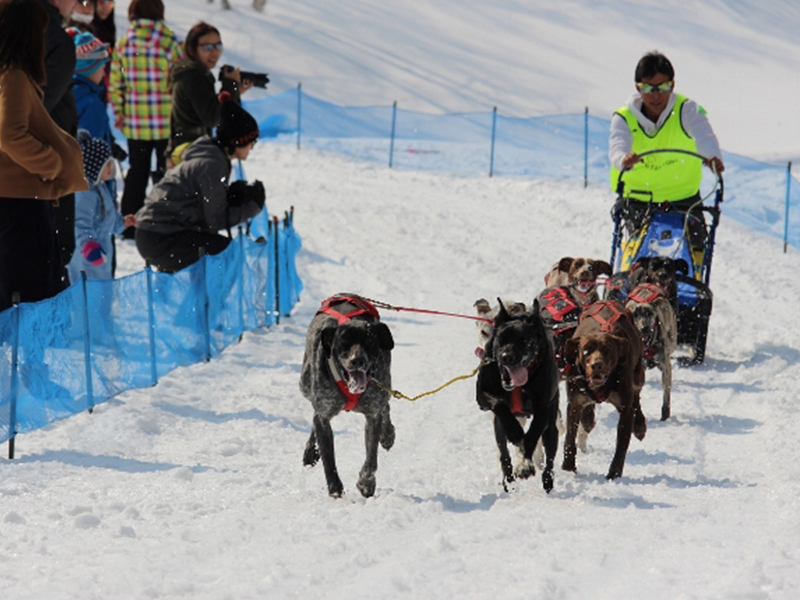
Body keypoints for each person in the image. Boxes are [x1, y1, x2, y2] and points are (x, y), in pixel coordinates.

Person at [0, 0, 88, 312]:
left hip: (21, 196)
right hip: (21, 199)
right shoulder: (15, 76)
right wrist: (51, 163)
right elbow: (10, 133)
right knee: (30, 292)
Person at [609, 51, 725, 271]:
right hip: (637, 197)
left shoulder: (686, 109)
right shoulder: (624, 117)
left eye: (663, 88)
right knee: (635, 258)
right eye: (648, 88)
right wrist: (623, 159)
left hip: (684, 198)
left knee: (693, 259)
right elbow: (617, 146)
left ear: (672, 86)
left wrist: (712, 157)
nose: (656, 96)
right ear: (638, 88)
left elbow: (704, 135)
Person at [135, 93, 265, 273]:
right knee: (227, 253)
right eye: (251, 141)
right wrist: (250, 208)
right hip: (161, 237)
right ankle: (209, 301)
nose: (252, 146)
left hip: (157, 233)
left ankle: (197, 299)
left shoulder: (211, 157)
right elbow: (214, 222)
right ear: (236, 142)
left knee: (218, 251)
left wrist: (231, 199)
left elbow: (206, 212)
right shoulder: (212, 165)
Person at [109, 0, 181, 239]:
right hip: (166, 120)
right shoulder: (170, 43)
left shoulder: (123, 44)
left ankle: (130, 224)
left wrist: (120, 112)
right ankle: (163, 221)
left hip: (136, 121)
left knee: (137, 172)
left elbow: (116, 83)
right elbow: (180, 80)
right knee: (165, 173)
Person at [168, 20, 252, 166]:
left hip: (190, 150)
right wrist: (229, 85)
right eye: (207, 47)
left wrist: (234, 92)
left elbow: (210, 107)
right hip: (189, 152)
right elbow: (212, 117)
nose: (214, 52)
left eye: (218, 46)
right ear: (193, 48)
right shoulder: (193, 75)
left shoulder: (194, 71)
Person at [67, 131, 134, 281]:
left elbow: (106, 219)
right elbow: (80, 224)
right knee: (90, 296)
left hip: (101, 255)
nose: (111, 168)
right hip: (87, 258)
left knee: (103, 293)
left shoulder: (101, 188)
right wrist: (88, 246)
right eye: (107, 164)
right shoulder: (86, 194)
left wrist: (121, 222)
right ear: (95, 166)